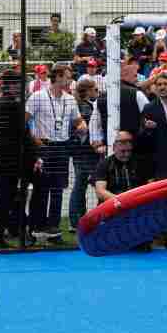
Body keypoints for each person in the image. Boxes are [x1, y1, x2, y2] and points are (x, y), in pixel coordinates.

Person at [25, 65, 85, 242]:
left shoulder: (70, 99)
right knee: (41, 189)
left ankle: (53, 228)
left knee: (58, 190)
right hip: (43, 146)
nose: (70, 80)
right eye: (67, 76)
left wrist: (82, 126)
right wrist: (34, 139)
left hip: (62, 147)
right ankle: (35, 227)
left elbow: (78, 120)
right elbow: (25, 121)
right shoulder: (37, 97)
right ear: (57, 77)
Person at [0, 70, 34, 250]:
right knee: (9, 198)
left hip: (3, 159)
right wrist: (33, 156)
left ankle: (8, 233)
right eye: (22, 84)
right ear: (13, 85)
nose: (26, 87)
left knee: (9, 197)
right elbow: (23, 136)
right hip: (13, 161)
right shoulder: (12, 106)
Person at [92, 130, 152, 252]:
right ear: (114, 148)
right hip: (112, 207)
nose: (126, 154)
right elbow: (100, 191)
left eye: (129, 151)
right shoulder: (104, 164)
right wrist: (120, 201)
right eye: (122, 151)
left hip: (135, 207)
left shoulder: (140, 163)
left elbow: (150, 186)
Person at [68, 77, 101, 232]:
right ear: (87, 91)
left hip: (80, 152)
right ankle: (77, 220)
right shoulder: (85, 108)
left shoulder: (82, 106)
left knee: (80, 185)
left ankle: (77, 219)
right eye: (95, 89)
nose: (97, 92)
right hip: (86, 152)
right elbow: (86, 130)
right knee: (85, 185)